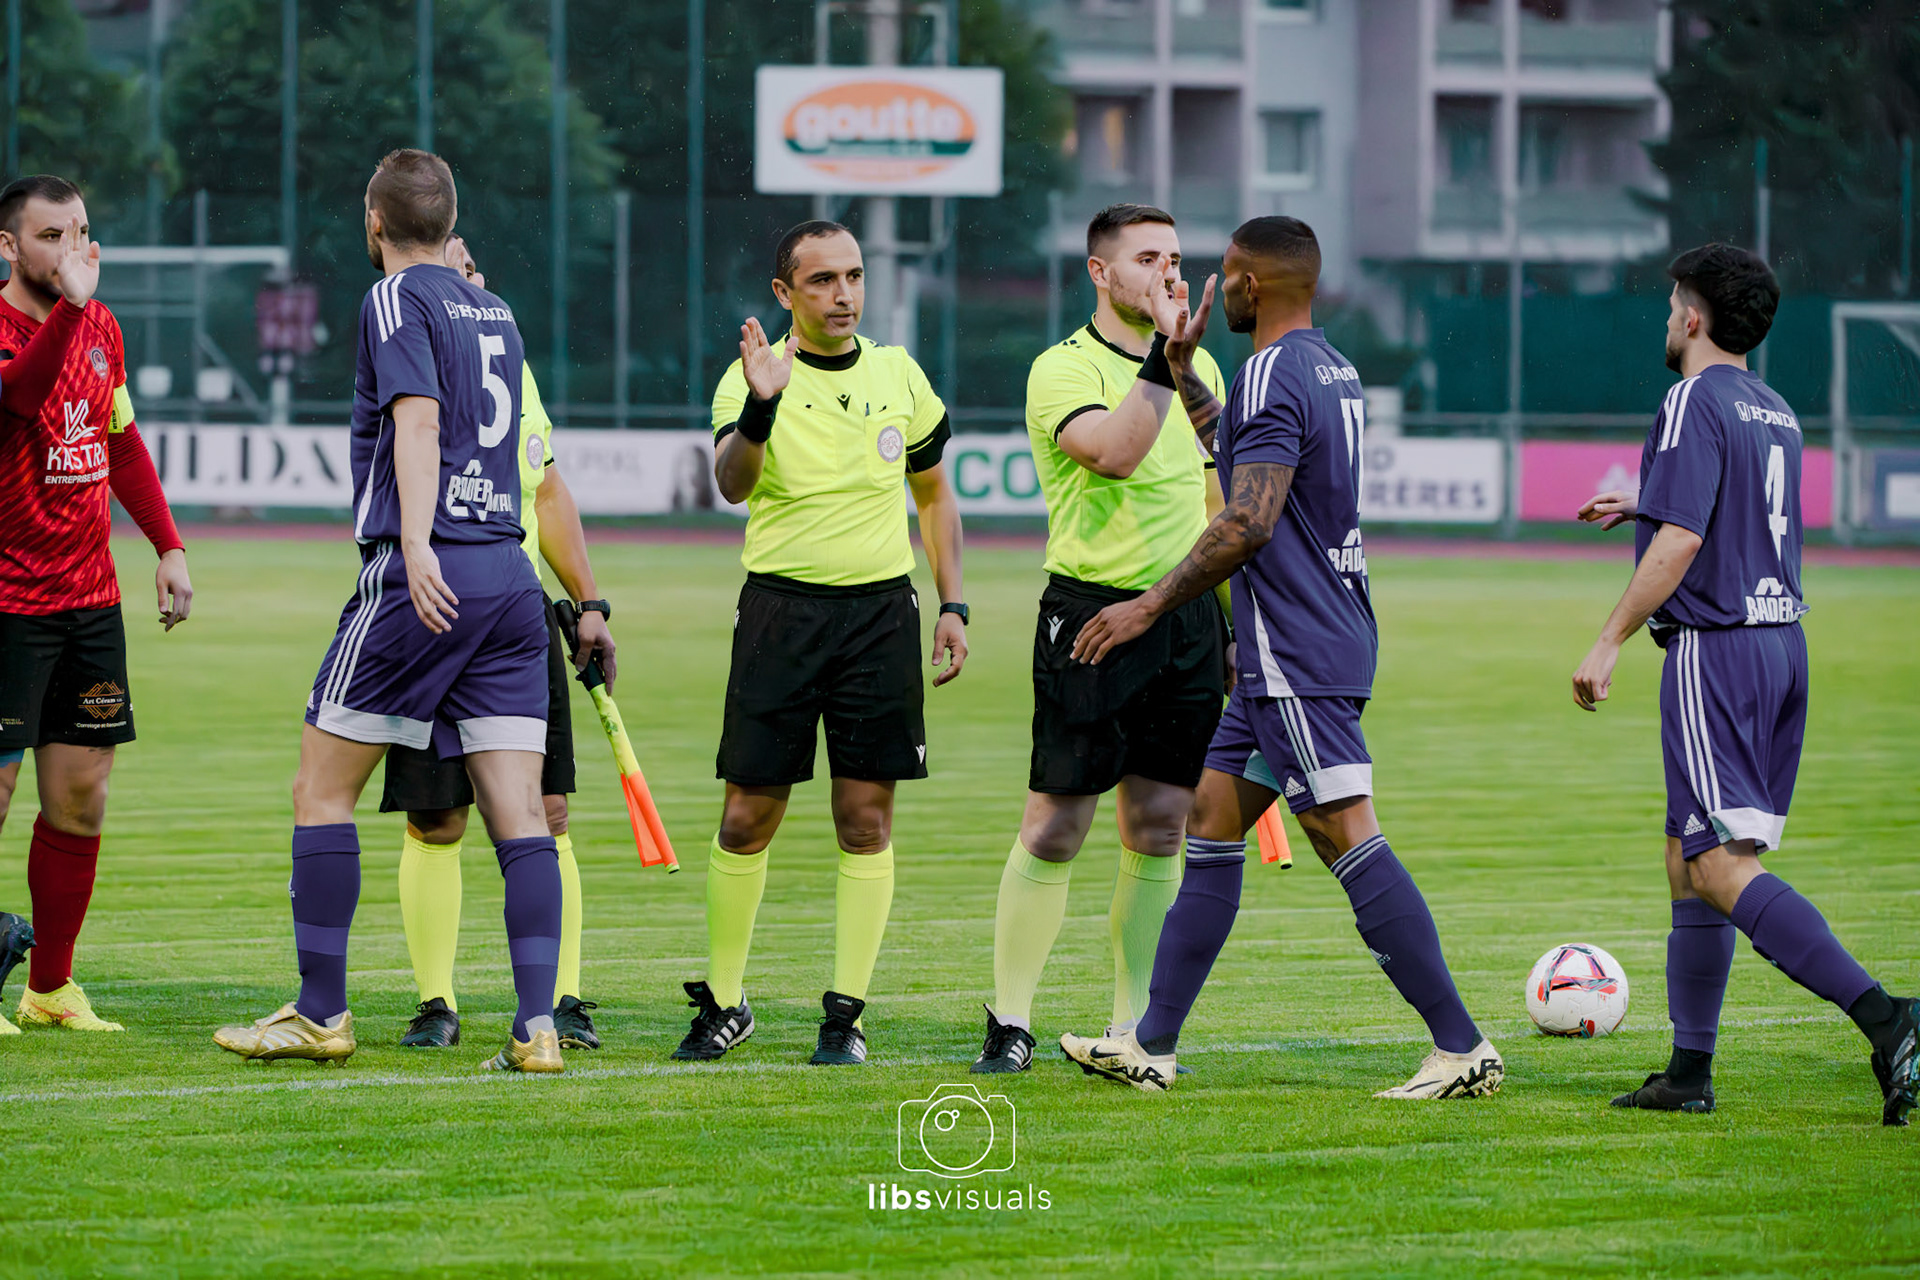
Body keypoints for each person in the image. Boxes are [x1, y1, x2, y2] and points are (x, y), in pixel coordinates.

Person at [1058, 216, 1503, 1098]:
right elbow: (1258, 461)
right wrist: (1184, 377)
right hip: (1313, 636)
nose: (1210, 292)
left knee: (1345, 832)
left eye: (1222, 276)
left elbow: (1248, 519)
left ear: (1251, 286)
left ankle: (1462, 1047)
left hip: (1295, 645)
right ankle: (1151, 1044)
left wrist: (1149, 605)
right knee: (1214, 818)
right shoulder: (1327, 365)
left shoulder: (1266, 371)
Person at [213, 150, 566, 1073]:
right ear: (451, 220)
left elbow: (416, 420)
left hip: (431, 571)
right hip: (509, 577)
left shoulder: (394, 295)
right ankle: (537, 1028)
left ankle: (321, 1012)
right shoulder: (494, 306)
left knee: (320, 788)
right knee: (519, 813)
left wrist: (413, 545)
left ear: (374, 222)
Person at [1573, 243, 1918, 1124]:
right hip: (1780, 647)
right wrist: (1643, 503)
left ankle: (1889, 1021)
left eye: (1670, 305)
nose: (1666, 319)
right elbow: (1728, 515)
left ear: (1693, 317)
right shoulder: (1774, 407)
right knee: (1689, 861)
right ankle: (1689, 1075)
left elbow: (1688, 542)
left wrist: (1608, 639)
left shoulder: (1691, 396)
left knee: (1720, 866)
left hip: (1716, 649)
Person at [675, 220, 967, 1067]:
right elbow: (733, 484)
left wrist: (954, 604)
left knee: (865, 819)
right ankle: (726, 1003)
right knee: (745, 817)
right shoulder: (752, 377)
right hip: (780, 614)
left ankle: (846, 1016)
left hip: (880, 616)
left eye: (854, 277)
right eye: (822, 281)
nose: (843, 295)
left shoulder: (898, 373)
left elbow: (936, 498)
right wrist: (762, 402)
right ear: (784, 294)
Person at [973, 204, 1229, 1074]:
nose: (1167, 273)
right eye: (1148, 257)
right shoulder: (1062, 368)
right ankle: (1010, 1019)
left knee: (1161, 826)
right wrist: (1167, 353)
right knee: (1056, 825)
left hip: (1186, 617)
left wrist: (1229, 622)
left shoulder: (1207, 372)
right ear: (1099, 272)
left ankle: (1132, 1030)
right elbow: (1117, 452)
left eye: (1176, 257)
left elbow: (1215, 504)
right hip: (1091, 616)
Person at [383, 235, 616, 1054]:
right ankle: (435, 1002)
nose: (471, 279)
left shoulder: (510, 367)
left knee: (547, 812)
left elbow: (546, 489)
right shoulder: (406, 356)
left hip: (511, 610)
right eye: (456, 267)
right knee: (435, 815)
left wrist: (588, 601)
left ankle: (561, 1001)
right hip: (430, 603)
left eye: (477, 265)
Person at [0, 174, 193, 1034]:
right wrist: (74, 311)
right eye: (50, 236)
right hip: (7, 604)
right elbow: (20, 396)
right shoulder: (16, 326)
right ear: (10, 247)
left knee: (80, 797)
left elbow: (117, 442)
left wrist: (169, 546)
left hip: (89, 601)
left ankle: (49, 989)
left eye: (80, 231)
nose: (71, 249)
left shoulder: (101, 328)